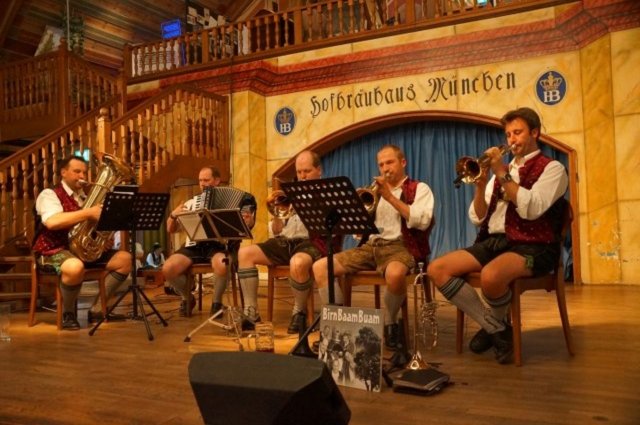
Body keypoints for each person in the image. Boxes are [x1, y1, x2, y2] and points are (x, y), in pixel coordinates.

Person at [427, 107, 569, 364]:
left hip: (534, 245)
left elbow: (531, 209)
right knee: (437, 269)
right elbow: (478, 217)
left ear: (535, 133)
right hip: (495, 242)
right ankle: (497, 328)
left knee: (491, 277)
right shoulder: (497, 174)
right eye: (508, 134)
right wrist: (481, 187)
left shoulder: (552, 169)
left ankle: (493, 326)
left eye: (518, 132)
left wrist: (501, 173)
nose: (512, 139)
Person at [313, 144, 435, 349]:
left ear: (403, 162)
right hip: (371, 246)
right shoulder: (375, 192)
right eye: (381, 164)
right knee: (320, 267)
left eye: (390, 162)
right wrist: (358, 214)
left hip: (402, 246)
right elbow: (359, 233)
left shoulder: (419, 188)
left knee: (395, 274)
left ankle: (390, 322)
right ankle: (339, 327)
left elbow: (421, 221)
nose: (385, 168)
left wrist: (390, 197)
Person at [236, 150, 339, 332]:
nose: (302, 176)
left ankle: (299, 312)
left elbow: (332, 229)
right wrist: (277, 213)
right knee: (245, 253)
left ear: (319, 170)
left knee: (297, 263)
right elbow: (277, 231)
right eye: (299, 172)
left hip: (312, 242)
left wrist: (309, 207)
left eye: (307, 171)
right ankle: (251, 312)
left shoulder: (328, 193)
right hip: (286, 242)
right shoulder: (290, 194)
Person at [32, 155, 132, 330]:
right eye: (77, 171)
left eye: (84, 172)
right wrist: (88, 213)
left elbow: (89, 228)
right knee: (74, 267)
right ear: (63, 172)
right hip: (53, 250)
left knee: (125, 259)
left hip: (79, 251)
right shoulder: (49, 194)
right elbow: (53, 222)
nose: (82, 176)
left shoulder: (85, 197)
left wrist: (101, 241)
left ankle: (97, 309)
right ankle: (68, 313)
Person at [162, 166, 256, 317]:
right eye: (200, 180)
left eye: (206, 180)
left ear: (217, 181)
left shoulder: (239, 200)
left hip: (220, 246)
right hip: (194, 245)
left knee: (222, 263)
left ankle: (216, 303)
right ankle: (187, 297)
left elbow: (246, 227)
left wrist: (248, 221)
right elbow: (171, 229)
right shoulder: (192, 202)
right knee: (168, 268)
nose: (202, 183)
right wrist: (173, 215)